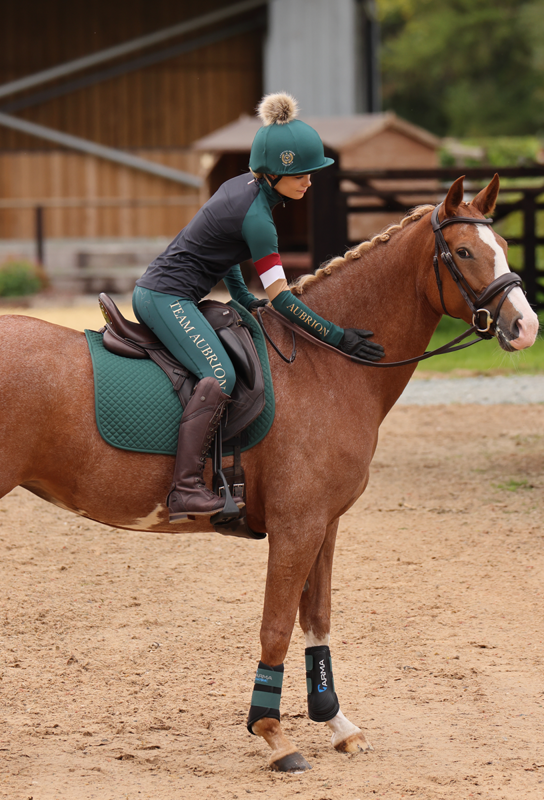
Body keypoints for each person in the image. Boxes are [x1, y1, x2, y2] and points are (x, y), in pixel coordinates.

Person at [133, 92, 385, 523]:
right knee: (220, 373)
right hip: (164, 298)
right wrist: (338, 337)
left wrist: (241, 296)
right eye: (301, 173)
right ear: (272, 175)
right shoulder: (258, 218)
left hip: (175, 293)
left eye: (311, 172)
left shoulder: (242, 189)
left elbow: (227, 251)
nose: (309, 181)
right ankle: (186, 487)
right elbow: (283, 300)